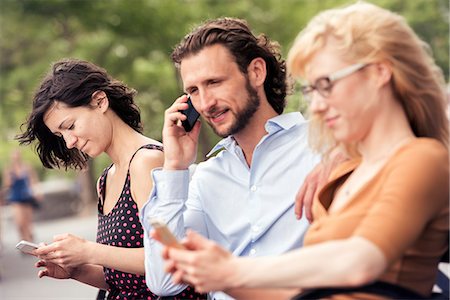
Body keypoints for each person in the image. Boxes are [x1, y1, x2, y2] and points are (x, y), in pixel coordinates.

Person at [159, 3, 449, 299]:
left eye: (327, 84)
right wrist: (216, 276)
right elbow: (299, 293)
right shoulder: (342, 174)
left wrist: (232, 270)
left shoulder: (422, 158)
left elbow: (360, 261)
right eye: (312, 91)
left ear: (379, 73)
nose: (318, 106)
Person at [140, 17, 320, 299]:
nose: (206, 103)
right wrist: (174, 167)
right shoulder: (203, 178)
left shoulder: (321, 147)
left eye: (214, 82)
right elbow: (164, 281)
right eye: (193, 91)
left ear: (256, 72)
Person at [17, 59, 204, 299]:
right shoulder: (106, 179)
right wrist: (76, 270)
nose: (69, 141)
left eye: (70, 126)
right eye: (60, 135)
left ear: (100, 102)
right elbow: (124, 282)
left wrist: (88, 251)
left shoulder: (147, 163)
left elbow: (167, 260)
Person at [2, 149, 42, 243]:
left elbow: (33, 180)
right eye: (13, 156)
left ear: (19, 156)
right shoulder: (8, 169)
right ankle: (23, 239)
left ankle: (29, 238)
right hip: (16, 197)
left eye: (17, 156)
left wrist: (37, 192)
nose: (15, 158)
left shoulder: (27, 167)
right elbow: (6, 184)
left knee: (28, 221)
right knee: (19, 222)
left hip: (27, 196)